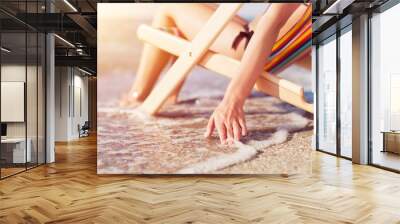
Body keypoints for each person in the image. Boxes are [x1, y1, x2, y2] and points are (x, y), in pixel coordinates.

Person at [120, 3, 311, 145]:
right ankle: (167, 92)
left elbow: (272, 20)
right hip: (271, 48)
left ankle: (138, 95)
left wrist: (232, 101)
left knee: (169, 7)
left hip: (249, 46)